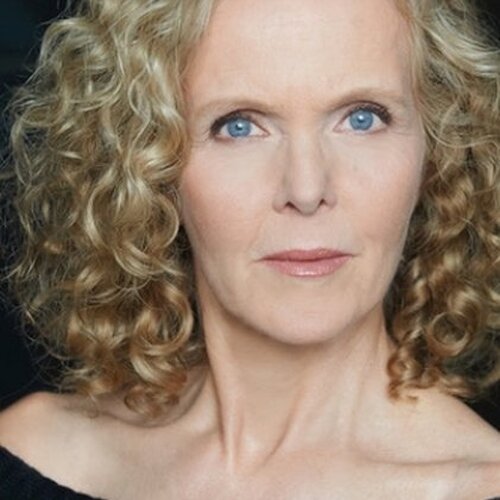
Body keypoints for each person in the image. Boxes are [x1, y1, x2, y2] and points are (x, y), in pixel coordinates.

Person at [0, 0, 499, 498]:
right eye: (238, 126)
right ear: (149, 165)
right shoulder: (35, 451)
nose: (306, 190)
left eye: (363, 118)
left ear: (436, 149)